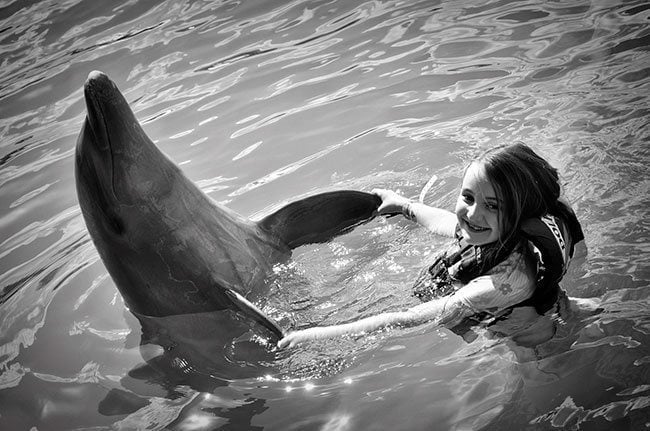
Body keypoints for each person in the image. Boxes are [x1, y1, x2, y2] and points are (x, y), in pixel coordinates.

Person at [277, 143, 585, 348]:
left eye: (493, 206)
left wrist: (312, 336)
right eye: (468, 197)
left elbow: (408, 319)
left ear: (520, 215)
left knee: (530, 378)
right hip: (514, 303)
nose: (473, 213)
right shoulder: (492, 230)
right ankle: (575, 310)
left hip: (527, 337)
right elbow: (446, 222)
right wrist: (404, 206)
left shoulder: (501, 282)